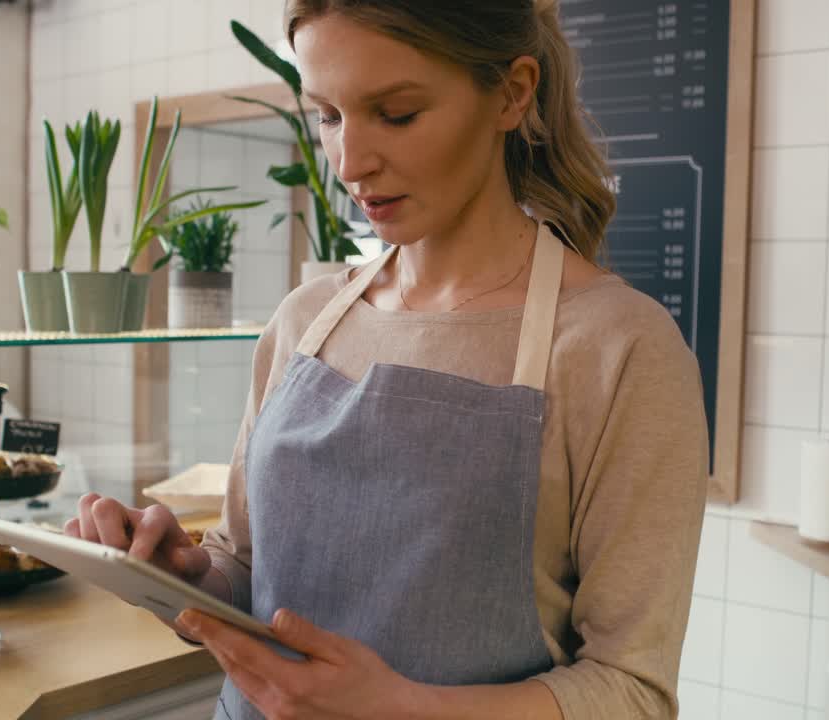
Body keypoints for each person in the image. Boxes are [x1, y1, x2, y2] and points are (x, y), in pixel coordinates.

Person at [64, 1, 708, 718]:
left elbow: (632, 689)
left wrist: (404, 709)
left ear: (512, 92)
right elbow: (244, 569)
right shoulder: (304, 321)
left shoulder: (621, 349)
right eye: (330, 115)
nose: (350, 163)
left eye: (396, 114)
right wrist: (180, 579)